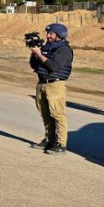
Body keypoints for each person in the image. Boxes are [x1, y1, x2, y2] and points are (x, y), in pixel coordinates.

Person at [29, 23, 74, 155]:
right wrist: (34, 54)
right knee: (45, 113)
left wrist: (40, 54)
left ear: (60, 35)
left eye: (51, 34)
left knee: (57, 114)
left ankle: (61, 144)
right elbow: (34, 65)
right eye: (47, 33)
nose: (48, 35)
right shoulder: (46, 47)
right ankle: (50, 139)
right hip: (42, 83)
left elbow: (53, 66)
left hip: (55, 84)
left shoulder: (64, 50)